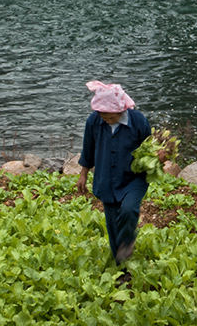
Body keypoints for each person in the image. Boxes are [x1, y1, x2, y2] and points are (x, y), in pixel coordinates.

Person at [77, 80, 151, 264]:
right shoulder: (94, 122)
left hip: (133, 179)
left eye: (110, 117)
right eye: (103, 116)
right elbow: (88, 149)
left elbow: (151, 149)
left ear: (121, 110)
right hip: (106, 180)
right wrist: (83, 174)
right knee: (112, 224)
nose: (106, 120)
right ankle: (121, 265)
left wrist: (161, 157)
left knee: (128, 209)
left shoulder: (138, 121)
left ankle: (127, 241)